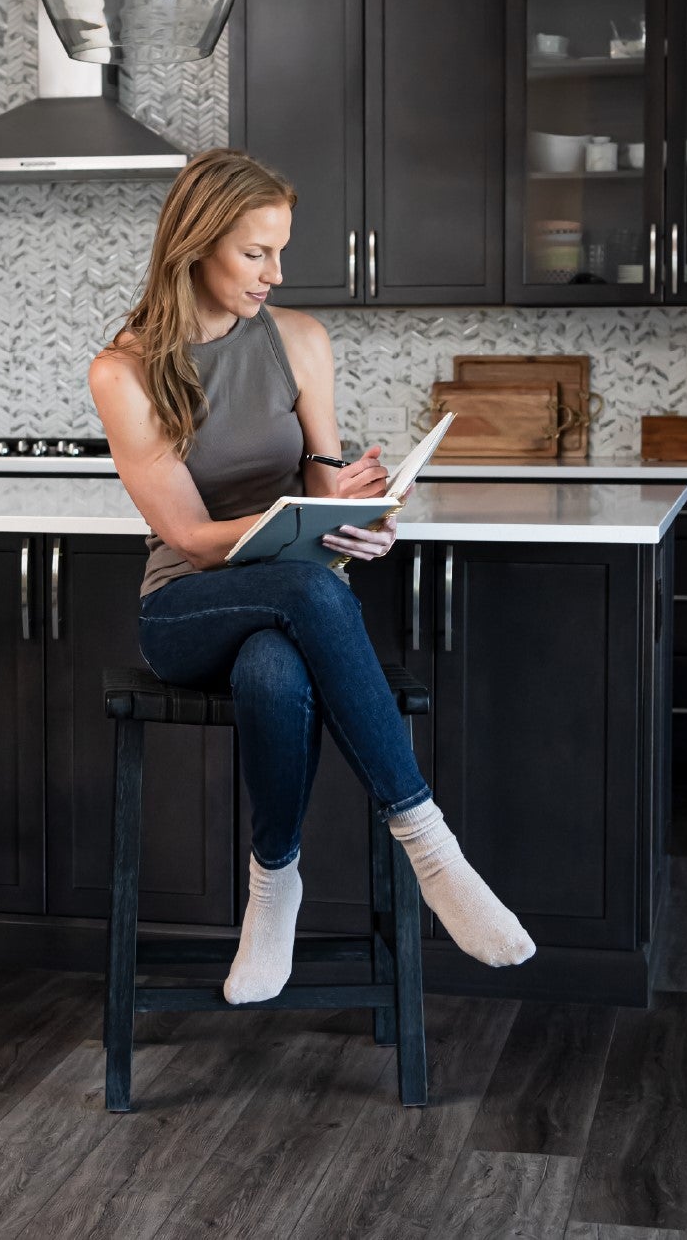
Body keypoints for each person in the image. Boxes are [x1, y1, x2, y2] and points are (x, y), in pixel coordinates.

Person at [89, 148, 534, 1004]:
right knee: (304, 591)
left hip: (293, 599)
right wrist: (304, 537)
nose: (275, 272)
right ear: (195, 245)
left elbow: (322, 482)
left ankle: (272, 886)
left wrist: (359, 512)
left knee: (275, 665)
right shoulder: (127, 369)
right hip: (185, 607)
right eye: (256, 252)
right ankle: (431, 849)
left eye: (280, 251)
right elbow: (185, 533)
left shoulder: (299, 340)